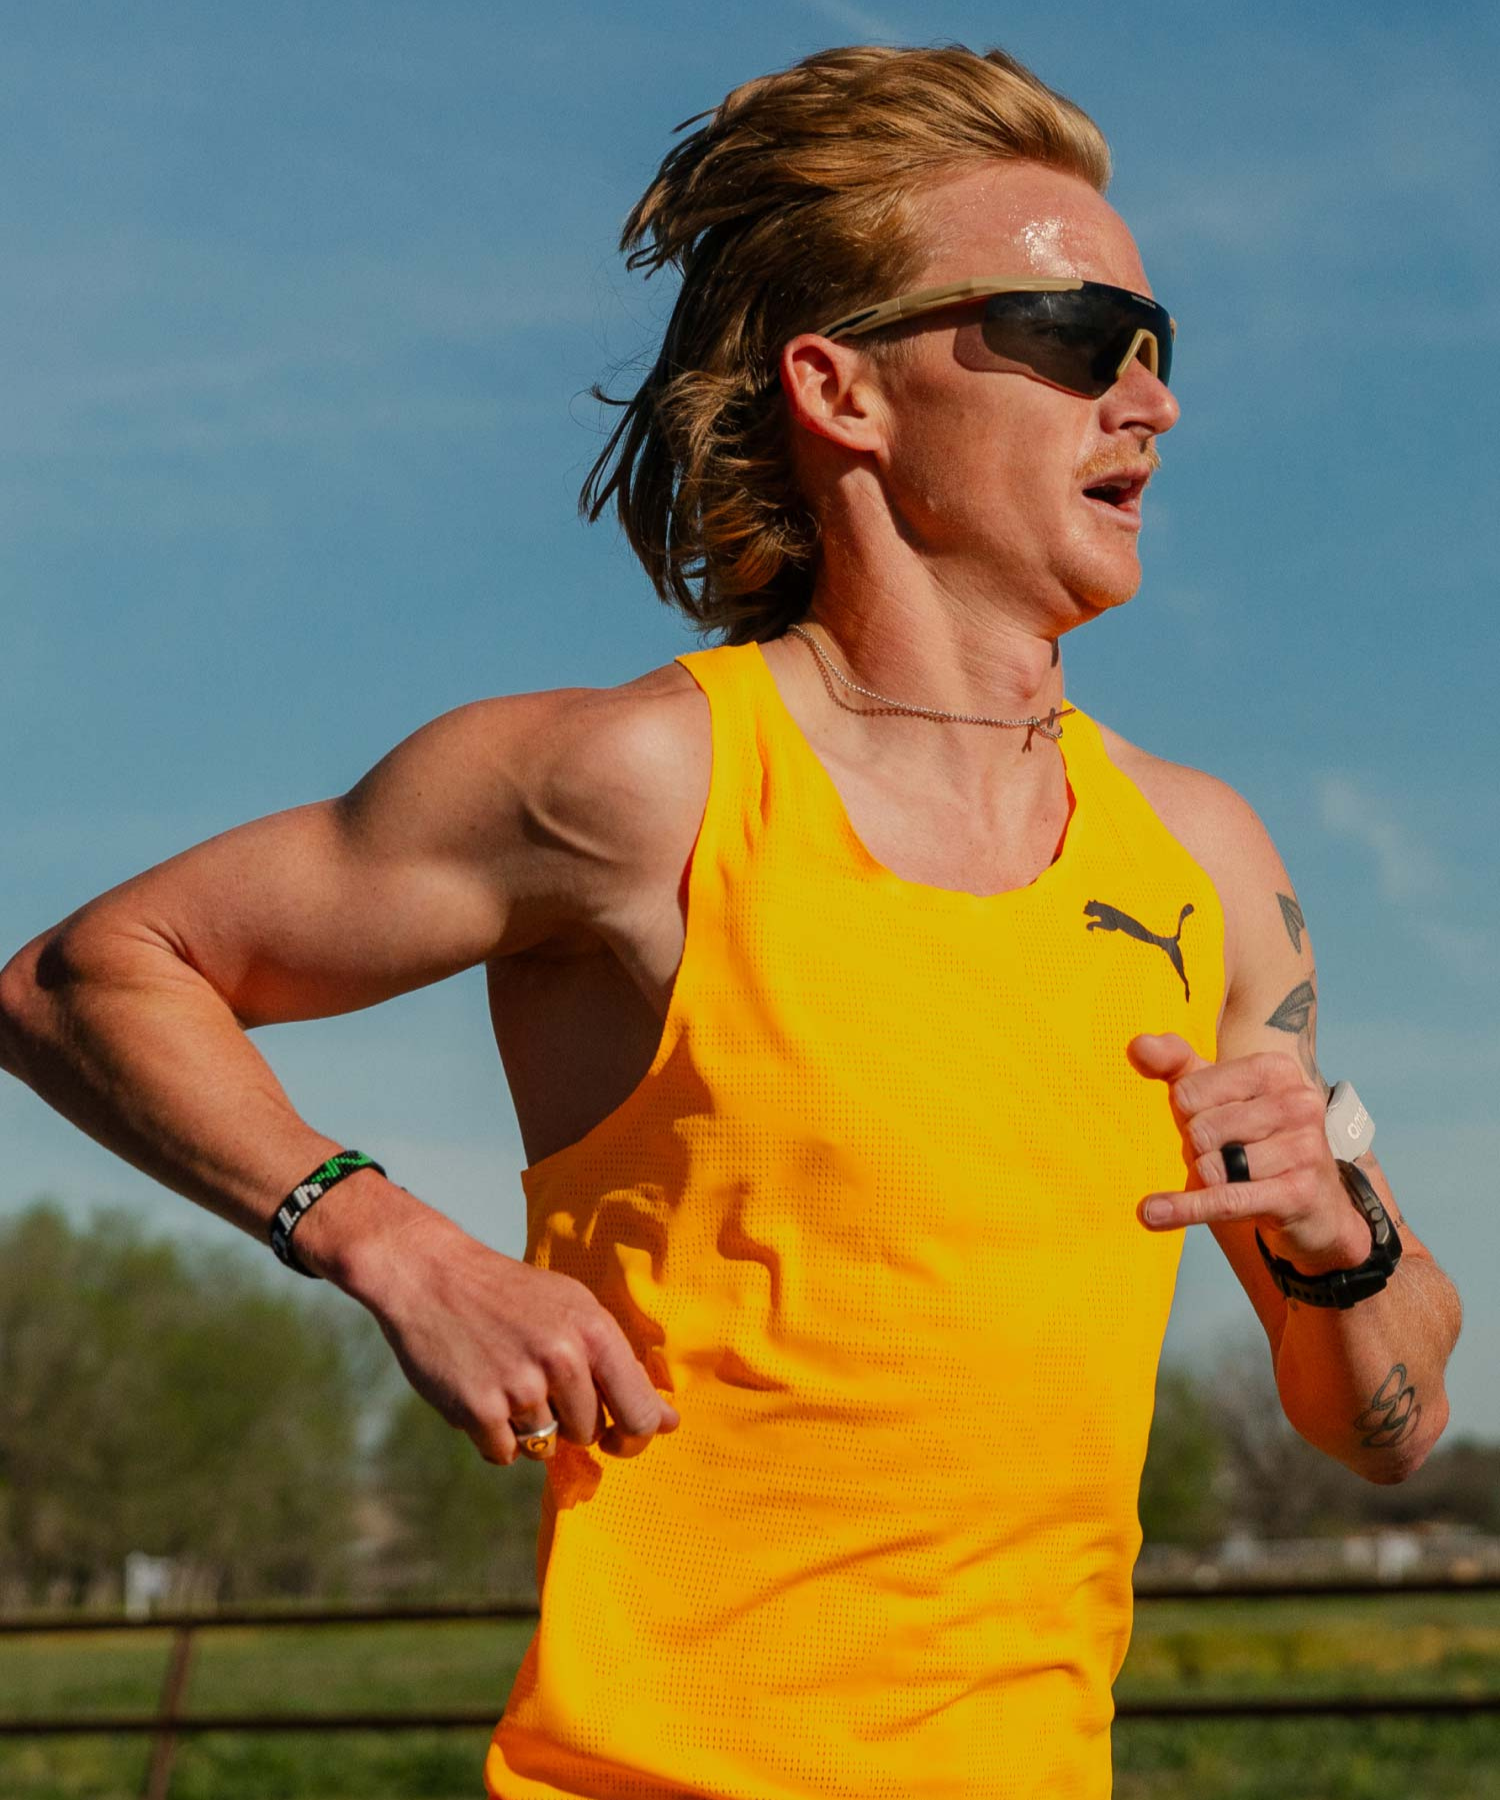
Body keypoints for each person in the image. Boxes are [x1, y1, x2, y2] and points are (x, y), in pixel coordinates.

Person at [0, 41, 1463, 1800]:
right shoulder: (642, 783)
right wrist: (388, 1240)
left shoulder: (1204, 858)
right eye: (1078, 336)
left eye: (1158, 347)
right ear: (843, 392)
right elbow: (87, 975)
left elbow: (1386, 1429)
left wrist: (1337, 1239)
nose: (1146, 401)